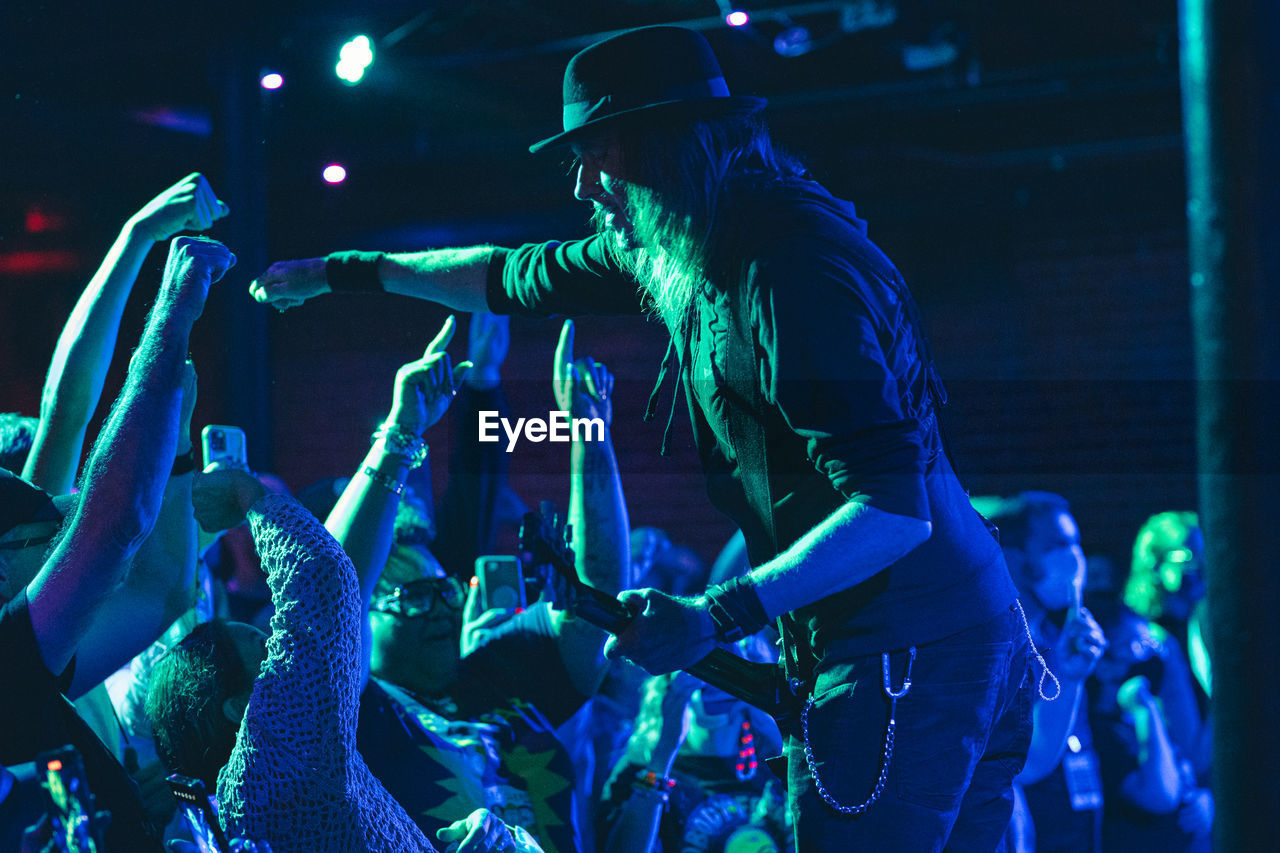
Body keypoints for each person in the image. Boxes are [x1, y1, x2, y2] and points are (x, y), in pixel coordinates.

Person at [247, 25, 1028, 849]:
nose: (584, 185)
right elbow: (505, 275)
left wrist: (716, 613)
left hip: (907, 656)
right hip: (931, 648)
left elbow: (892, 507)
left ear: (669, 148)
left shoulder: (786, 271)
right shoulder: (698, 241)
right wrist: (347, 269)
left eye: (599, 155)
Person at [0, 235, 235, 853]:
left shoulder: (39, 665)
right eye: (49, 535)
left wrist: (179, 445)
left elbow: (163, 588)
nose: (64, 546)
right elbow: (114, 526)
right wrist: (171, 317)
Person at [356, 320, 628, 853]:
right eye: (412, 597)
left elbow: (598, 604)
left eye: (444, 591)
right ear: (357, 616)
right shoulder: (356, 713)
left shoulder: (495, 669)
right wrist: (401, 431)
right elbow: (330, 584)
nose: (439, 609)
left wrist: (588, 434)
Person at [983, 492, 1108, 853]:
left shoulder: (1055, 639)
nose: (1074, 557)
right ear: (1013, 554)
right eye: (1058, 544)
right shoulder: (992, 644)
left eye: (1076, 543)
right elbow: (1023, 763)